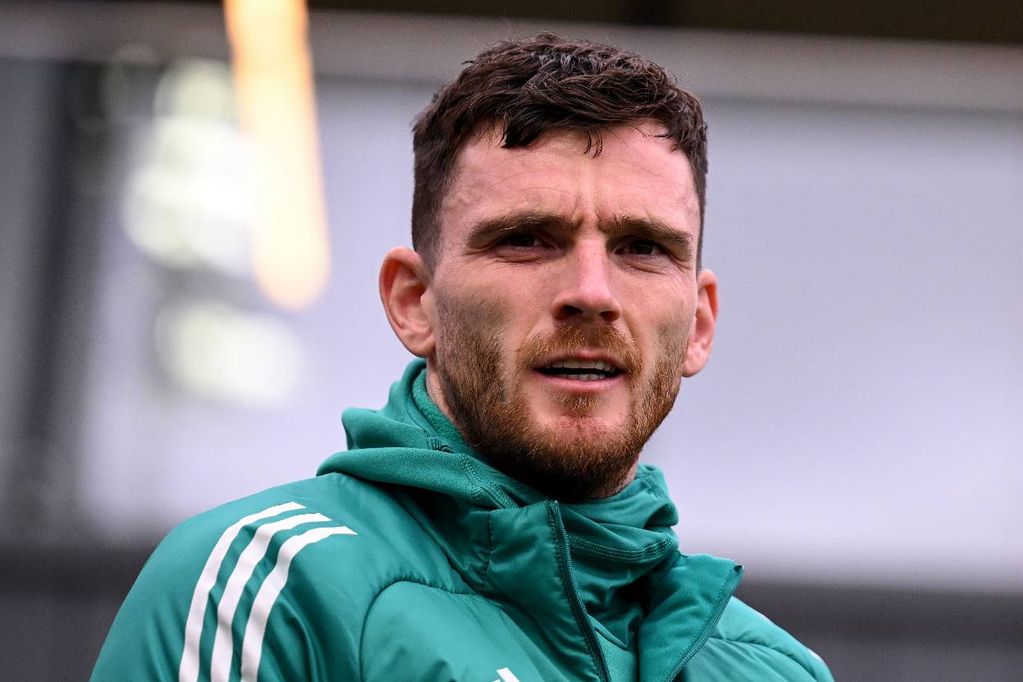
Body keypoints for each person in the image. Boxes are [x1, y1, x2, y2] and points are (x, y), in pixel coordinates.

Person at [93, 34, 833, 681]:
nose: (591, 292)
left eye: (642, 248)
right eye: (526, 240)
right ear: (414, 302)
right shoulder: (269, 588)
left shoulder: (774, 670)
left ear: (698, 323)